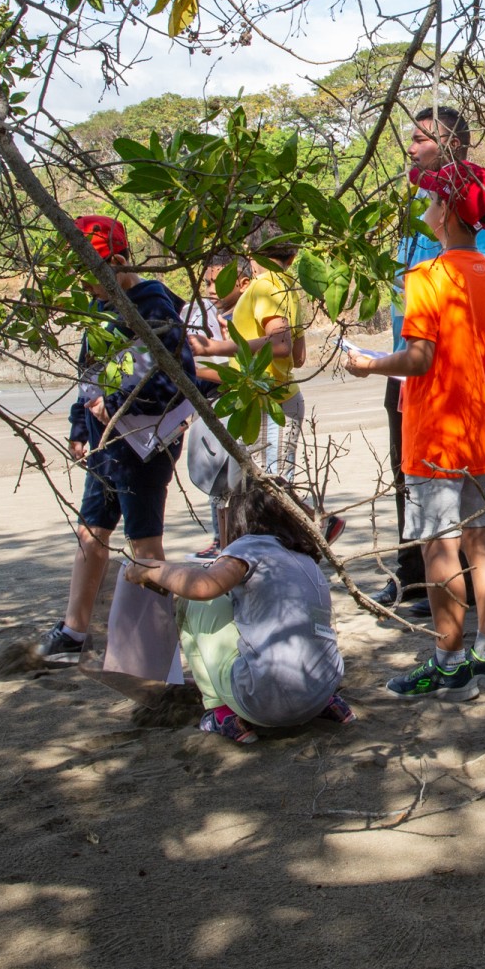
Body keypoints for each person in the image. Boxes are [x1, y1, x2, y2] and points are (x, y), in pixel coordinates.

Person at [345, 162, 485, 700]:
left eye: (430, 202)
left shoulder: (427, 277)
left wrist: (370, 365)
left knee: (439, 546)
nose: (425, 211)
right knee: (481, 544)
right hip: (480, 430)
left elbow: (417, 360)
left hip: (435, 434)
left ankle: (449, 661)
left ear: (444, 211)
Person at [377, 106, 485, 618]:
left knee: (455, 516)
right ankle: (414, 581)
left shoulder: (478, 206)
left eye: (422, 139)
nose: (411, 147)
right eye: (410, 138)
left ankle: (451, 625)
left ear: (454, 144)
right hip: (412, 365)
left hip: (454, 376)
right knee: (409, 478)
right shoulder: (420, 205)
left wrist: (373, 364)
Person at [39, 216, 198, 666]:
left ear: (121, 262)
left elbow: (177, 381)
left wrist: (122, 403)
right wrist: (77, 424)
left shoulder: (152, 308)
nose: (87, 285)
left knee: (145, 543)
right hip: (106, 445)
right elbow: (89, 375)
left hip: (144, 444)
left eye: (93, 274)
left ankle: (156, 650)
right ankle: (73, 629)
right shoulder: (101, 310)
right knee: (92, 530)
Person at [125, 483, 353, 744]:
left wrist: (152, 568)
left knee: (197, 604)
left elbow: (202, 587)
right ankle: (330, 704)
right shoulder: (305, 559)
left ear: (238, 519)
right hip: (322, 690)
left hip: (263, 701)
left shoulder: (248, 546)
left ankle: (220, 712)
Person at [229, 222, 306, 483]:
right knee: (271, 487)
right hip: (277, 398)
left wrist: (221, 347)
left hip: (269, 402)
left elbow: (281, 346)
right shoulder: (289, 286)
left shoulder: (265, 284)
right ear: (292, 258)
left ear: (251, 256)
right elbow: (299, 356)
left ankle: (322, 524)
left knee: (268, 491)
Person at [184, 250, 248, 556]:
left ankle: (229, 544)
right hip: (209, 404)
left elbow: (238, 374)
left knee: (233, 484)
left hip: (235, 407)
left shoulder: (240, 320)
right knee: (218, 483)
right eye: (207, 281)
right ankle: (222, 543)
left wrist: (190, 368)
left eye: (218, 281)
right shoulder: (205, 315)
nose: (211, 289)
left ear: (243, 283)